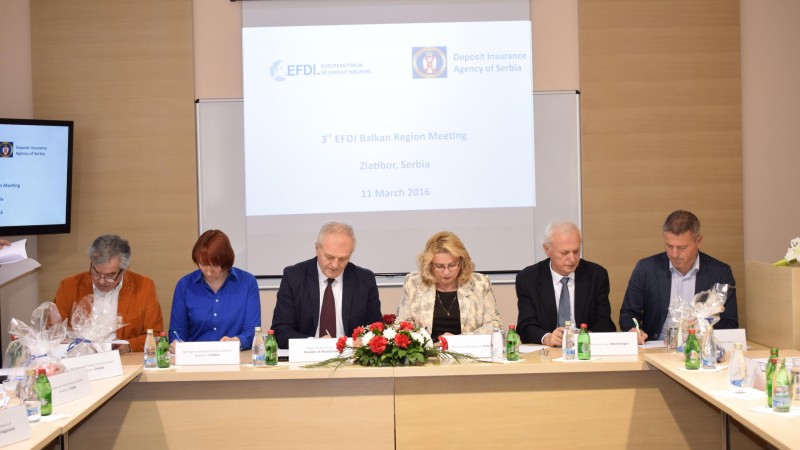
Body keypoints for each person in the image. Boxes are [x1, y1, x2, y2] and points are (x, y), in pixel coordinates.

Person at [619, 210, 738, 344]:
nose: (674, 254)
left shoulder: (720, 272)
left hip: (699, 347)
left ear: (698, 241)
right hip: (656, 347)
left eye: (682, 248)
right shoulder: (646, 268)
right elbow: (628, 314)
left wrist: (699, 330)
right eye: (669, 246)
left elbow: (730, 323)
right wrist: (633, 330)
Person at [271, 221, 382, 349]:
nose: (335, 265)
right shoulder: (294, 277)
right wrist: (315, 344)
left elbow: (375, 329)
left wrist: (361, 342)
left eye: (343, 259)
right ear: (317, 249)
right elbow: (281, 331)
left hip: (350, 356)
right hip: (307, 355)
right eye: (329, 257)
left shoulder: (365, 280)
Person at [54, 235, 164, 352]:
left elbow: (156, 336)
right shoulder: (69, 286)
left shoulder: (144, 287)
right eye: (96, 273)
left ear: (124, 269)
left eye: (110, 276)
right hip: (80, 357)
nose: (101, 281)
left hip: (123, 358)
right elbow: (52, 333)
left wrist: (128, 346)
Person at [516, 222, 616, 346]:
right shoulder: (528, 278)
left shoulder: (596, 275)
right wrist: (547, 338)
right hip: (548, 350)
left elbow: (605, 322)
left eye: (576, 251)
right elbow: (525, 326)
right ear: (547, 249)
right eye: (564, 253)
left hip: (585, 348)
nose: (572, 259)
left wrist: (587, 337)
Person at [396, 231, 502, 341]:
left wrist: (458, 340)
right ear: (429, 265)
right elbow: (402, 324)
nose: (446, 272)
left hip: (467, 349)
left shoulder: (480, 283)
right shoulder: (413, 283)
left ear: (461, 262)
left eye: (452, 265)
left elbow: (495, 325)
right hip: (427, 350)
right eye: (439, 266)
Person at [169, 229, 261, 350]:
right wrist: (176, 342)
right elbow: (177, 331)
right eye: (203, 264)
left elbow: (253, 330)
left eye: (215, 266)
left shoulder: (247, 282)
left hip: (234, 355)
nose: (208, 272)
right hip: (195, 356)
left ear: (226, 262)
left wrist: (237, 341)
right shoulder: (185, 285)